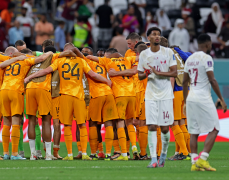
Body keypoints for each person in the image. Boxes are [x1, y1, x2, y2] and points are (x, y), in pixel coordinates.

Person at [24, 44, 112, 161]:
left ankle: (69, 155)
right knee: (82, 125)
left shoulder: (59, 61)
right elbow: (93, 74)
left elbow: (45, 71)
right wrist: (106, 81)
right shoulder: (81, 61)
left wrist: (31, 77)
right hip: (79, 96)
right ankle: (85, 153)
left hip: (65, 96)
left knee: (67, 126)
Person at [183, 33, 227, 171]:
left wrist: (185, 101)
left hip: (191, 97)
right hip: (203, 97)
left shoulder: (189, 59)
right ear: (209, 44)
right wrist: (221, 98)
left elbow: (185, 81)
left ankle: (194, 163)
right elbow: (212, 79)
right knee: (214, 128)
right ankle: (202, 159)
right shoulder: (207, 58)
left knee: (194, 132)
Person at [0, 47, 52, 160]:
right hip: (16, 90)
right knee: (17, 122)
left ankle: (6, 153)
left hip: (3, 91)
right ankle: (14, 154)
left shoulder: (7, 60)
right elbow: (41, 58)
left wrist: (14, 57)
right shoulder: (25, 60)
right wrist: (49, 52)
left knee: (6, 122)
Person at [86, 48, 138, 160]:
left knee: (117, 124)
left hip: (117, 94)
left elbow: (90, 57)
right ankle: (133, 148)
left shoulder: (107, 61)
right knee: (128, 123)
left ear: (109, 56)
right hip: (131, 94)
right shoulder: (128, 59)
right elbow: (142, 57)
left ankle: (122, 153)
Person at [137, 27, 177, 168]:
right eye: (154, 34)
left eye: (158, 35)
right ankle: (154, 159)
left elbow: (174, 73)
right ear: (148, 38)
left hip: (166, 94)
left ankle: (163, 155)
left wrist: (158, 73)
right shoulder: (143, 54)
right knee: (152, 126)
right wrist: (147, 73)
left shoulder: (168, 52)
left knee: (165, 129)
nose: (157, 37)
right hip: (151, 95)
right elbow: (139, 75)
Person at [82, 47, 119, 160]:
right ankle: (108, 153)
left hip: (96, 94)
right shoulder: (104, 63)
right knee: (109, 124)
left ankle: (94, 152)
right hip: (109, 93)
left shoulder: (86, 62)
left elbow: (93, 75)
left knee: (93, 124)